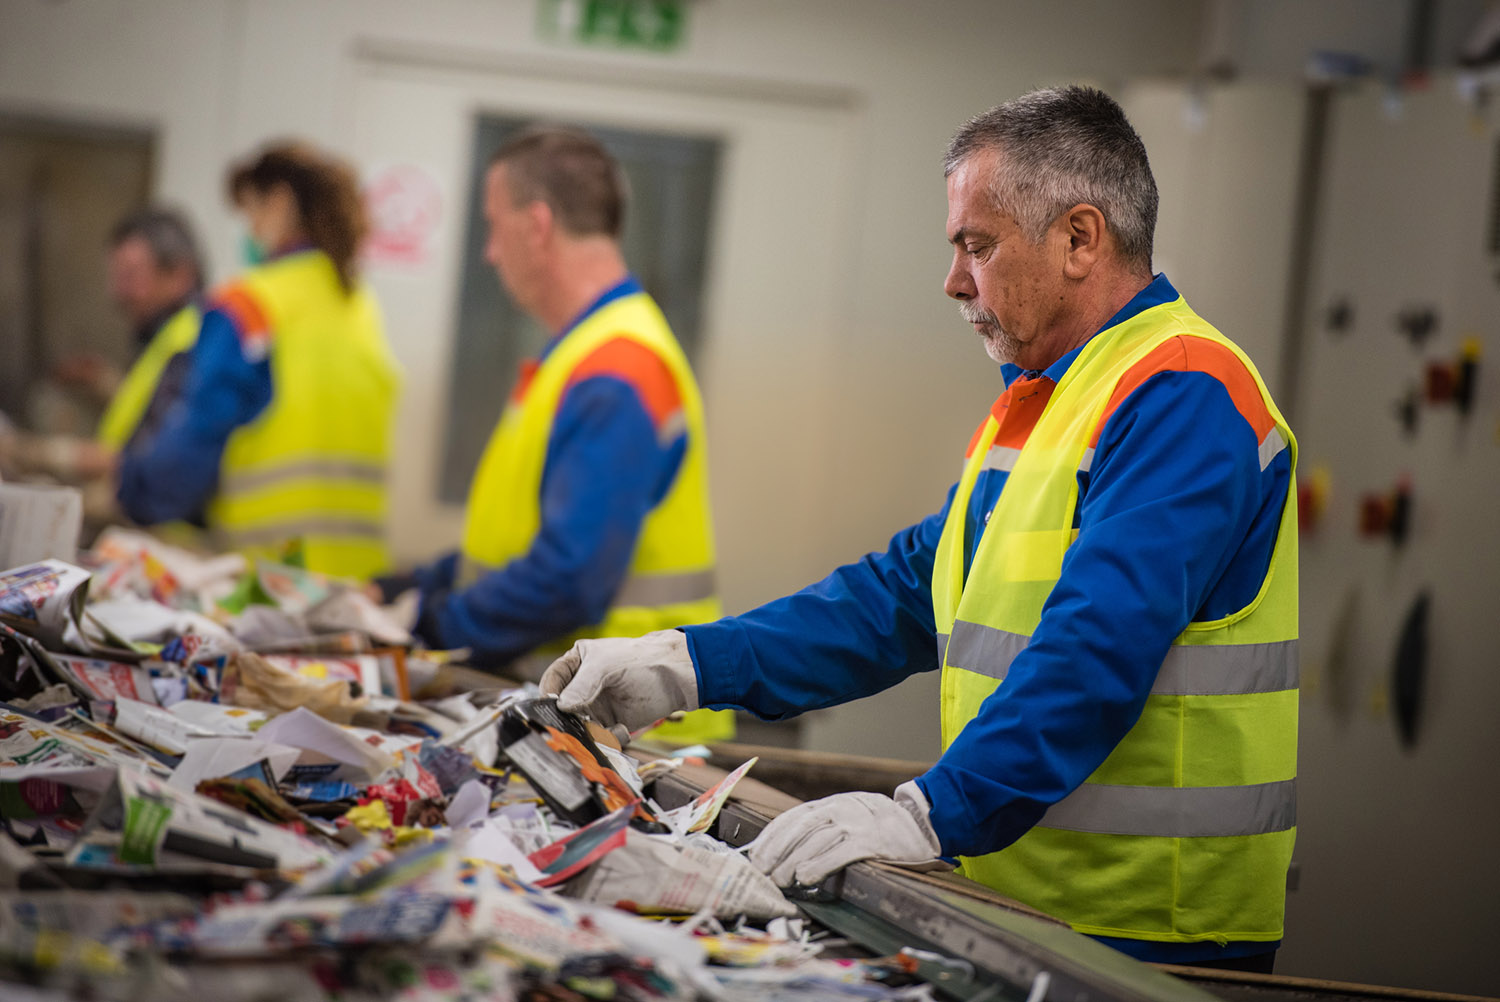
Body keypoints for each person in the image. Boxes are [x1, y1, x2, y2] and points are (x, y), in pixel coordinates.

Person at [542, 87, 1297, 972]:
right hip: (1022, 904)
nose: (953, 280)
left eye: (978, 246)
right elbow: (901, 596)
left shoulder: (1184, 394)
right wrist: (689, 663)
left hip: (1147, 932)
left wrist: (931, 812)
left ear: (1081, 239)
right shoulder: (1044, 396)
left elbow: (1099, 645)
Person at [376, 125, 731, 744]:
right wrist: (414, 585)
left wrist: (427, 627)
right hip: (596, 721)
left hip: (632, 738)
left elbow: (567, 580)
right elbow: (521, 537)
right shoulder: (588, 354)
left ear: (537, 225)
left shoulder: (617, 368)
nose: (489, 252)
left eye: (494, 225)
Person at [118, 141, 401, 579]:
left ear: (281, 203)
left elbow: (190, 447)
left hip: (264, 584)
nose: (248, 229)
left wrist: (130, 488)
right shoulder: (360, 307)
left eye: (251, 211)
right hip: (354, 586)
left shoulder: (250, 305)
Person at [0, 208, 204, 485]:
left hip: (159, 526)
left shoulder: (193, 341)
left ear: (179, 275)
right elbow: (151, 412)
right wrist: (105, 383)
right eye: (116, 277)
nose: (118, 292)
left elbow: (149, 455)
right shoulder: (171, 335)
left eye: (131, 276)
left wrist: (30, 452)